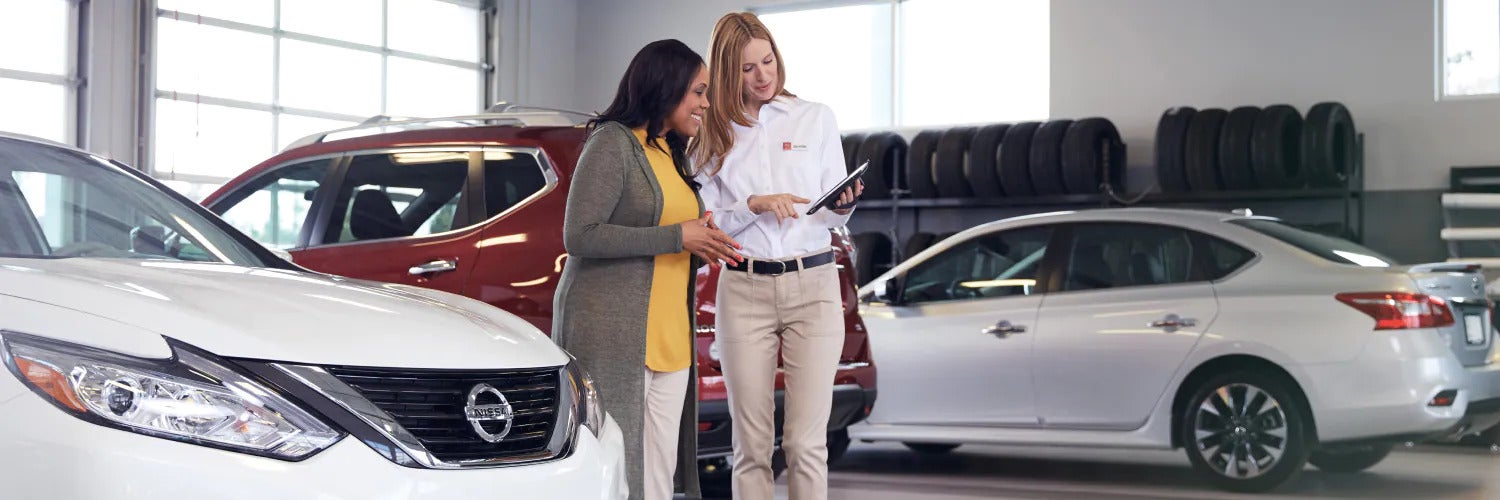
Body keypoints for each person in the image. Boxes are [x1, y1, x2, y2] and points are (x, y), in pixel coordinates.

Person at [553, 38, 744, 500]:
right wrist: (679, 236)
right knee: (615, 469)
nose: (705, 103)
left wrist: (702, 238)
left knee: (659, 472)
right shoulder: (612, 143)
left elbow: (671, 233)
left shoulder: (668, 151)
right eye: (698, 92)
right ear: (667, 86)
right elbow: (580, 235)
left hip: (669, 340)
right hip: (615, 334)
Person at [690, 12, 862, 500]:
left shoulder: (816, 117)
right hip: (744, 289)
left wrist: (843, 206)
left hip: (814, 286)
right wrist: (753, 205)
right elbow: (706, 225)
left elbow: (832, 218)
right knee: (751, 445)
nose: (763, 76)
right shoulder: (711, 133)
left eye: (767, 61)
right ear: (726, 72)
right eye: (747, 69)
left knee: (806, 443)